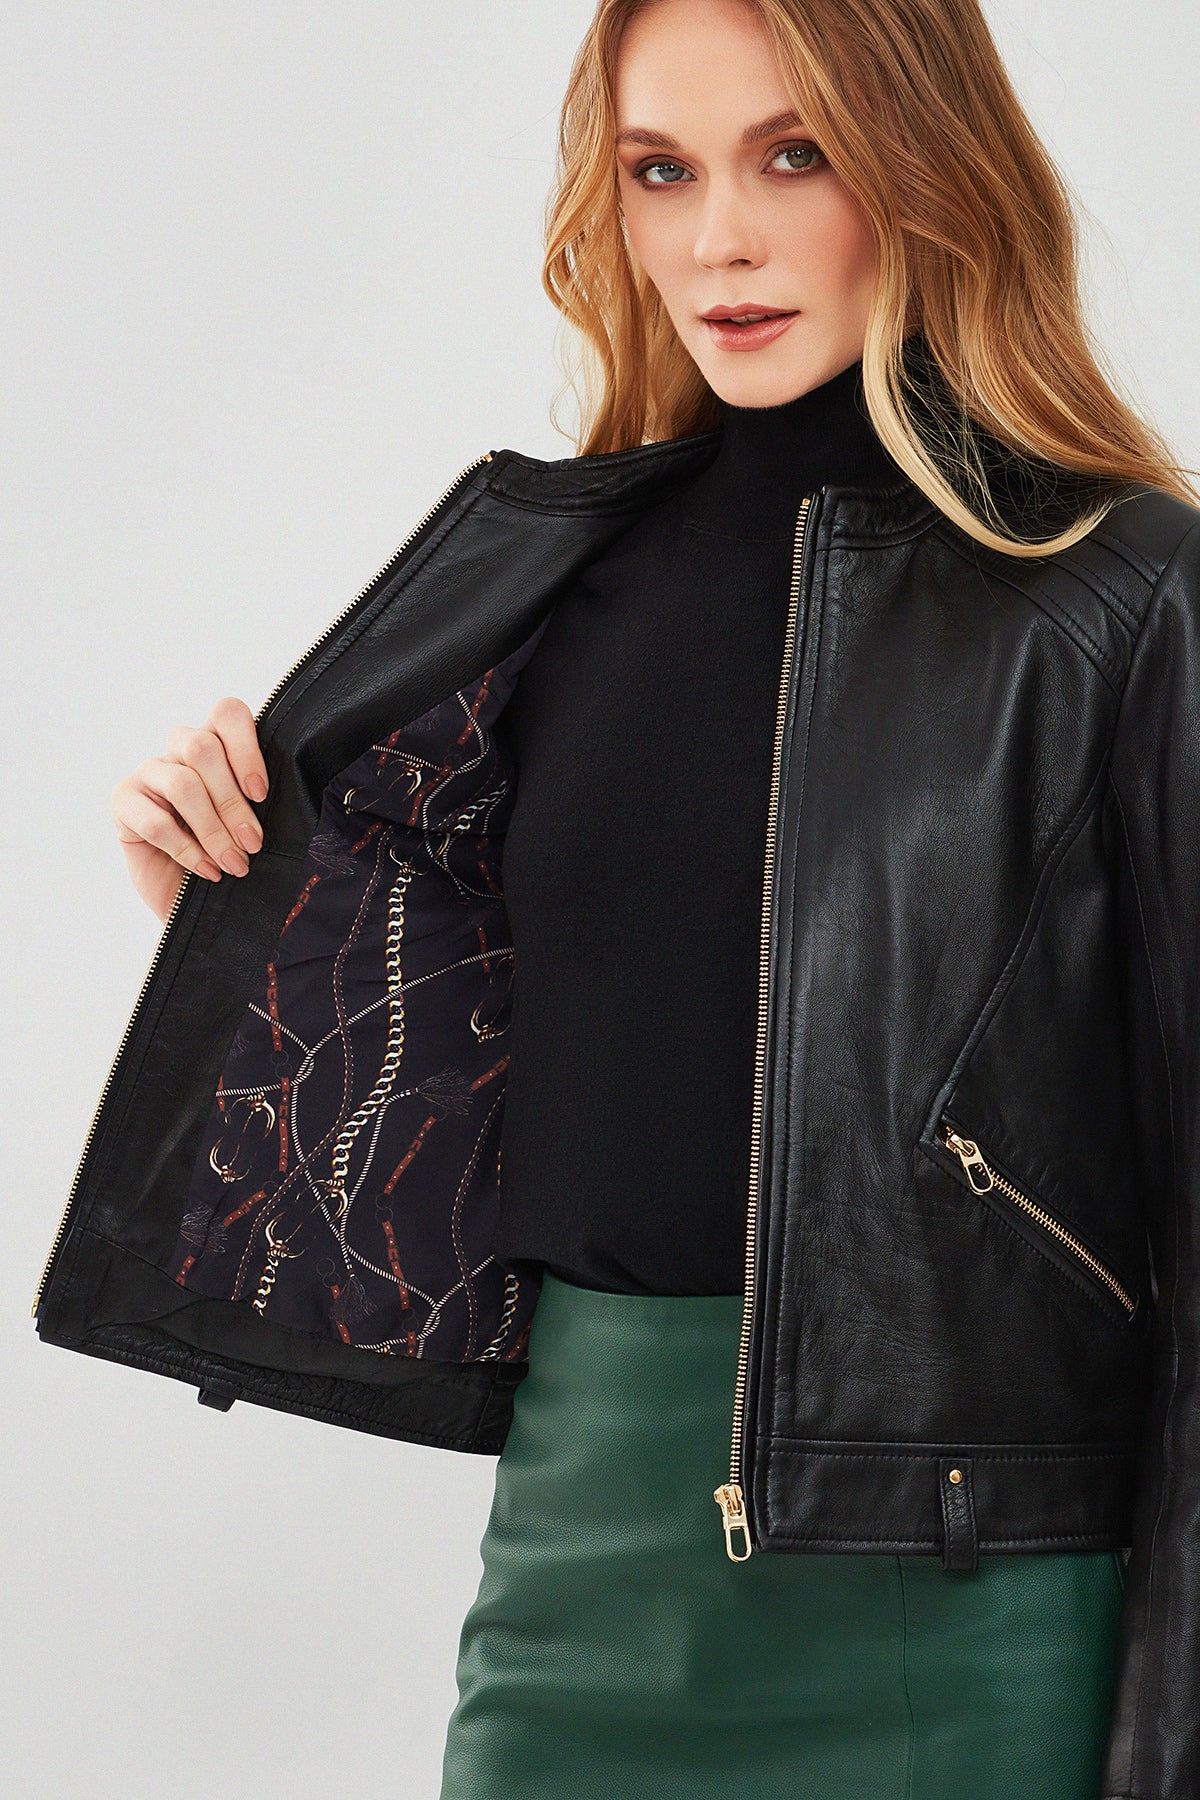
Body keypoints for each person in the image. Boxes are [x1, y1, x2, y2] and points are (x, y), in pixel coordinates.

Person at [44, 0, 1200, 1795]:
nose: (718, 238)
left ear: (930, 164)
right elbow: (540, 1038)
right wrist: (237, 903)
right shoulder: (544, 591)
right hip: (577, 1562)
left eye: (793, 156)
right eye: (662, 171)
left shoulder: (1114, 600)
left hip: (962, 1610)